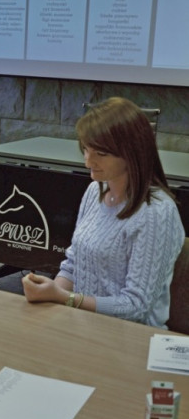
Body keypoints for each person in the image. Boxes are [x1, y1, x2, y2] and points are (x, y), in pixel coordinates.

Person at [22, 97, 185, 328]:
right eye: (86, 150)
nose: (88, 162)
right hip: (83, 323)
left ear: (132, 153)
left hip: (130, 336)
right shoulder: (95, 191)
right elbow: (73, 264)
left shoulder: (156, 213)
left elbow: (136, 306)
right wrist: (50, 293)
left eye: (100, 153)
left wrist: (64, 298)